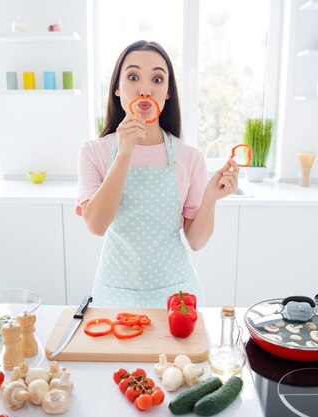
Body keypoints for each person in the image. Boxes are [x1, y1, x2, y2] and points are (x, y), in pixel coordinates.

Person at [76, 40, 239, 308]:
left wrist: (210, 198)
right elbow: (96, 225)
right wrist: (124, 154)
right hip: (114, 294)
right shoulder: (94, 153)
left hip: (176, 296)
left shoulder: (190, 157)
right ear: (117, 88)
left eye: (157, 79)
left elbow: (196, 241)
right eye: (132, 76)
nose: (145, 88)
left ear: (167, 93)